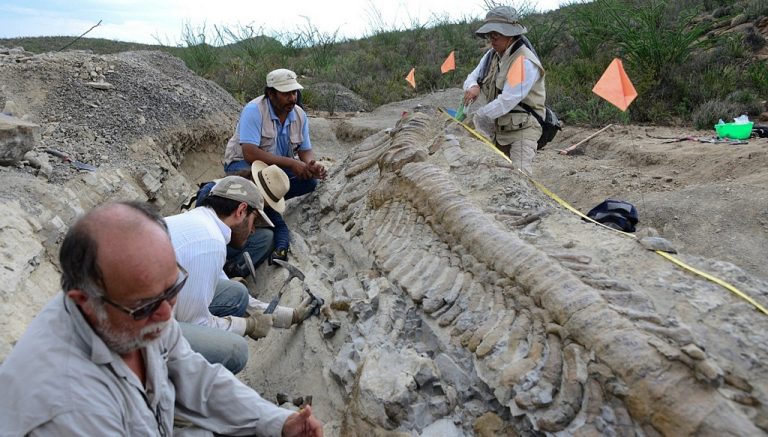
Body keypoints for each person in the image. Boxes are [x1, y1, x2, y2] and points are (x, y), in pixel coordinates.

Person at [0, 201, 323, 436]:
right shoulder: (69, 411)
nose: (168, 314)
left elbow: (196, 376)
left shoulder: (132, 313)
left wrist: (277, 422)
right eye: (146, 306)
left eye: (172, 289)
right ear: (84, 303)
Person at [167, 176, 320, 374]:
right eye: (253, 220)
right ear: (241, 211)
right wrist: (247, 325)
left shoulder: (200, 221)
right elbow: (196, 323)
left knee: (236, 293)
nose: (253, 229)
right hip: (133, 336)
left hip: (141, 308)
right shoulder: (209, 243)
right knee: (236, 351)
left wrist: (288, 316)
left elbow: (232, 291)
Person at [223, 68, 327, 262]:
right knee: (255, 185)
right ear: (270, 93)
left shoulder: (299, 115)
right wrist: (291, 163)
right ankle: (276, 226)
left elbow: (305, 150)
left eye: (294, 92)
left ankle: (263, 203)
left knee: (310, 183)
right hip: (242, 166)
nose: (292, 98)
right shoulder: (254, 111)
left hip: (274, 169)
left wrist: (310, 164)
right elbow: (250, 152)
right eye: (286, 94)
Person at [463, 6, 547, 175]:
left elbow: (507, 100)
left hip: (523, 131)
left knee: (521, 178)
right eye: (489, 35)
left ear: (511, 34)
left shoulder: (524, 61)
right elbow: (472, 76)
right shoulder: (491, 55)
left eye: (496, 35)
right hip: (499, 130)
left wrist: (479, 116)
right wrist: (473, 86)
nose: (491, 40)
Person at [195, 161, 292, 277]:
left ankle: (232, 271)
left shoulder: (265, 206)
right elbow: (201, 213)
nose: (253, 230)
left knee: (267, 237)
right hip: (204, 241)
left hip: (228, 243)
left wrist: (281, 247)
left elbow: (280, 226)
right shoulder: (221, 188)